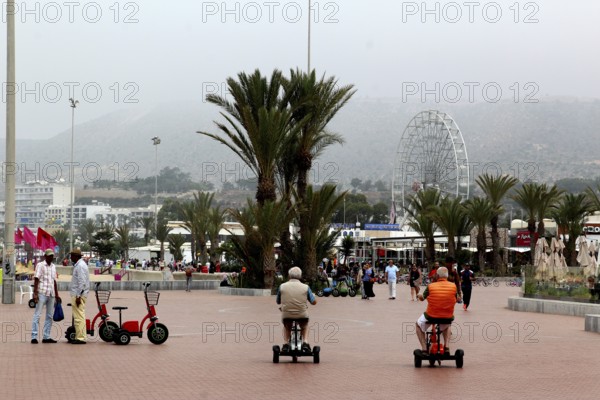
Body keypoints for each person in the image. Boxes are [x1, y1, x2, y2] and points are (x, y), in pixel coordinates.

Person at [416, 267, 457, 353]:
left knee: (418, 325)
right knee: (447, 324)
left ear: (437, 275)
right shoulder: (453, 286)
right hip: (447, 316)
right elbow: (457, 299)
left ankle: (424, 348)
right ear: (447, 276)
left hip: (431, 316)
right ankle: (447, 347)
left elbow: (422, 298)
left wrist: (419, 295)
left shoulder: (430, 286)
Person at [276, 267, 317, 352]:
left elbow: (278, 301)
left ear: (289, 276)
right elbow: (313, 302)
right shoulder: (306, 287)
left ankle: (285, 344)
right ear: (300, 276)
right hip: (302, 314)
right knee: (304, 325)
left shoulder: (282, 286)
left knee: (287, 326)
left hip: (287, 314)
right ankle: (305, 342)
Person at [31, 249, 61, 344]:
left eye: (52, 256)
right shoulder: (40, 265)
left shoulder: (53, 266)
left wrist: (57, 294)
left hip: (51, 293)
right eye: (49, 256)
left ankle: (46, 336)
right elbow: (36, 279)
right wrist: (35, 293)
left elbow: (54, 281)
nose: (51, 257)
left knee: (49, 316)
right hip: (42, 293)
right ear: (45, 256)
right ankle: (34, 336)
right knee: (37, 315)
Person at [70, 247, 90, 344]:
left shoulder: (80, 266)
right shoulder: (80, 265)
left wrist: (78, 296)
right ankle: (80, 336)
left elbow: (82, 282)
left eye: (71, 255)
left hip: (79, 295)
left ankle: (81, 338)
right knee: (78, 316)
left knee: (79, 317)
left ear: (75, 256)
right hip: (79, 294)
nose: (70, 257)